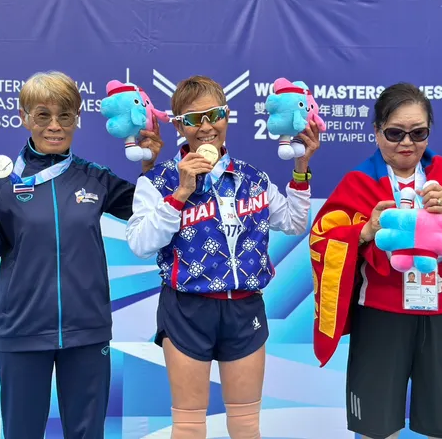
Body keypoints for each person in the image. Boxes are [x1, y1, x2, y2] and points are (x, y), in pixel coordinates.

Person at [0, 70, 163, 439]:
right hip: (22, 332)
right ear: (24, 117)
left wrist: (150, 167)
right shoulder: (0, 182)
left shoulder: (94, 178)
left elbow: (152, 213)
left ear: (76, 120)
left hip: (87, 333)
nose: (55, 126)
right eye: (43, 115)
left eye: (65, 116)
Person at [125, 75, 321, 438]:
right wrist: (180, 194)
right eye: (192, 119)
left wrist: (300, 169)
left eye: (214, 115)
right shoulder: (158, 181)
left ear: (227, 116)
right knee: (188, 426)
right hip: (187, 309)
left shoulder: (253, 179)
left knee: (246, 426)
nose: (205, 127)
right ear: (179, 126)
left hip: (244, 308)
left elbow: (294, 223)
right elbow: (140, 243)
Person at [309, 83, 442, 439]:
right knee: (376, 428)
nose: (407, 142)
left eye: (418, 133)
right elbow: (323, 238)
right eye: (395, 133)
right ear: (377, 132)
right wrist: (365, 231)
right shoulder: (359, 180)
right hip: (381, 314)